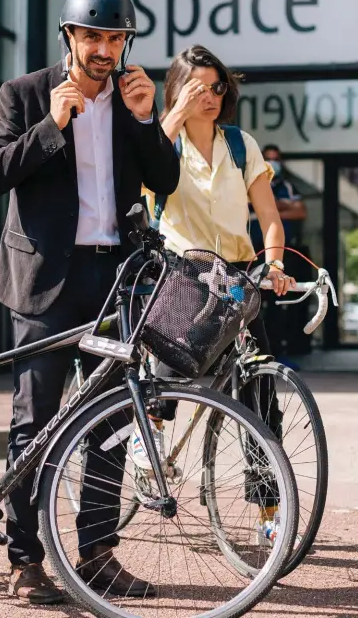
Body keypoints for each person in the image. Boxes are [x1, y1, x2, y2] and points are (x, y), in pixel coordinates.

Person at [0, 0, 179, 604]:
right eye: (92, 36)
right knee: (35, 421)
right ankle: (24, 559)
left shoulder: (129, 99)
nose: (104, 50)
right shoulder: (25, 94)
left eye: (114, 38)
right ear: (70, 37)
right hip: (44, 281)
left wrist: (148, 121)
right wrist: (50, 125)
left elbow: (166, 180)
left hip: (112, 280)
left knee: (113, 419)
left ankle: (95, 555)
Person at [140, 44, 295, 543]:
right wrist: (175, 114)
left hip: (240, 279)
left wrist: (274, 264)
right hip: (185, 273)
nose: (210, 96)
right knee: (174, 369)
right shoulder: (164, 141)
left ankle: (269, 513)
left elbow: (269, 219)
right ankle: (151, 439)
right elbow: (145, 171)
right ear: (179, 89)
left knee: (260, 398)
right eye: (197, 87)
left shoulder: (239, 143)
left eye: (217, 87)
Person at [250, 144, 309, 366]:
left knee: (280, 304)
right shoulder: (249, 181)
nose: (272, 163)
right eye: (268, 158)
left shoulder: (287, 186)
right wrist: (282, 206)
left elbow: (300, 211)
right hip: (252, 254)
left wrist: (274, 205)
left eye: (276, 159)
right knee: (253, 305)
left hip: (280, 256)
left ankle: (278, 355)